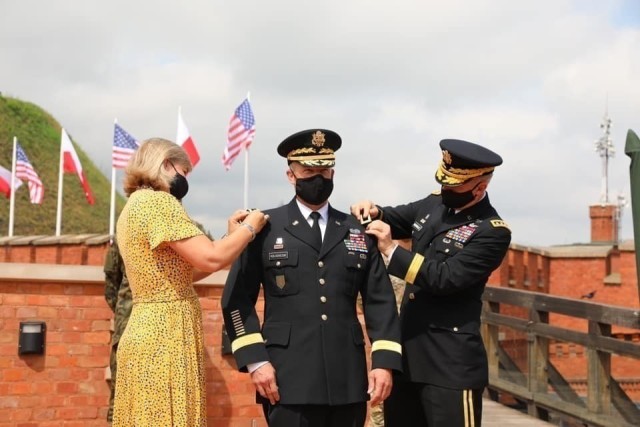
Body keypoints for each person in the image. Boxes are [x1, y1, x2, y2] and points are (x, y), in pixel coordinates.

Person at [222, 129, 403, 427]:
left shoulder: (356, 230)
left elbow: (381, 302)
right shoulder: (264, 228)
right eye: (308, 171)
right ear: (291, 175)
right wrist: (256, 361)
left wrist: (384, 364)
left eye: (324, 170)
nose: (318, 178)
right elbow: (237, 300)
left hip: (347, 380)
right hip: (286, 379)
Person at [351, 139, 511, 427]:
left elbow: (445, 278)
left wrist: (391, 250)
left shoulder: (491, 231)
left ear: (479, 188)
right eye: (444, 182)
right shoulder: (433, 205)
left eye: (455, 186)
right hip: (409, 359)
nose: (447, 190)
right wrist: (371, 211)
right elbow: (393, 217)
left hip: (450, 365)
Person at [112, 138, 269, 427]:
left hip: (144, 328)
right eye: (185, 171)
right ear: (167, 164)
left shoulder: (134, 205)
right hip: (166, 332)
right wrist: (251, 227)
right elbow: (210, 259)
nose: (185, 180)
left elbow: (186, 271)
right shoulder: (160, 203)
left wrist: (227, 239)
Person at [103, 238, 131, 423]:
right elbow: (111, 284)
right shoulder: (123, 237)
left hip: (131, 319)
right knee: (122, 387)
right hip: (128, 321)